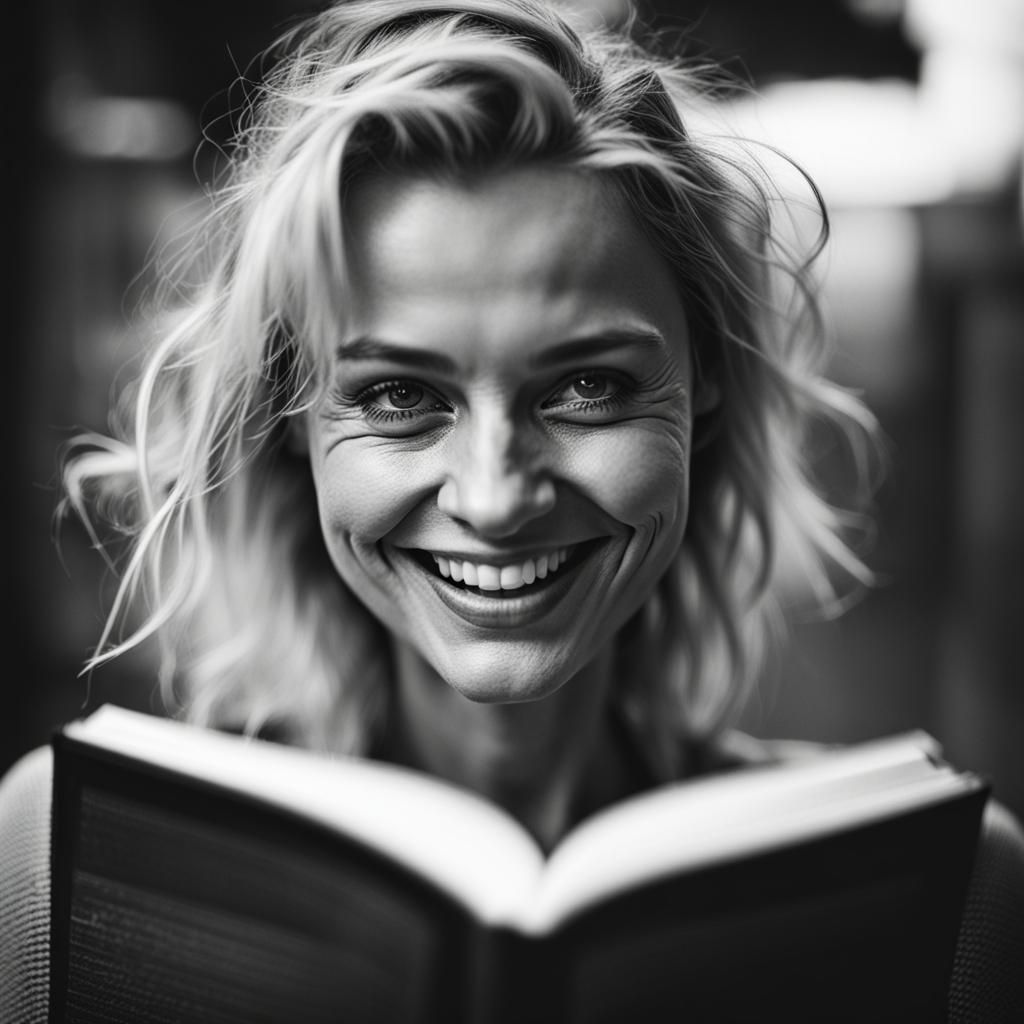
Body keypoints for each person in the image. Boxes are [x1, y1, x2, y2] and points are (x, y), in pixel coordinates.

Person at [1, 0, 1021, 1018]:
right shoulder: (47, 868)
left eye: (588, 387)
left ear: (705, 378)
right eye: (398, 396)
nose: (493, 498)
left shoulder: (953, 900)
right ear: (291, 421)